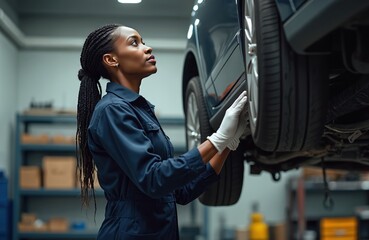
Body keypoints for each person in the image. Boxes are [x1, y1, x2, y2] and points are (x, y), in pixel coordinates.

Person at [76, 23, 247, 240]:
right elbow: (153, 178)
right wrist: (218, 138)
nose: (147, 48)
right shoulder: (112, 110)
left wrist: (226, 144)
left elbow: (181, 191)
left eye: (144, 42)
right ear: (111, 60)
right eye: (134, 43)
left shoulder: (140, 110)